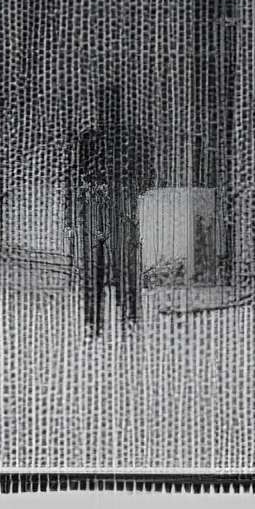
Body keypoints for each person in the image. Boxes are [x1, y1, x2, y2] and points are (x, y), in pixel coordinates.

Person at [70, 83, 144, 336]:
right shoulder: (89, 139)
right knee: (96, 268)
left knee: (122, 266)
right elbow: (76, 175)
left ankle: (126, 318)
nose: (108, 113)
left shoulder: (130, 138)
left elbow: (145, 175)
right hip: (99, 206)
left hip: (115, 206)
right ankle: (96, 321)